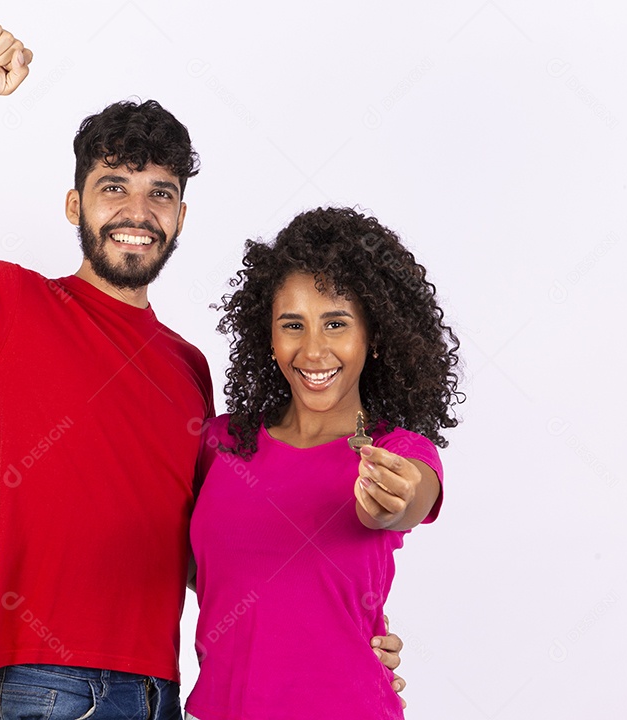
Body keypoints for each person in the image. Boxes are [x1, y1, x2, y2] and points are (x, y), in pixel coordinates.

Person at [0, 18, 403, 719]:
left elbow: (209, 553)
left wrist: (338, 637)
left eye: (160, 192)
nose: (137, 211)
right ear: (74, 205)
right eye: (114, 186)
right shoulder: (11, 306)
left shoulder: (188, 367)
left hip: (157, 694)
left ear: (180, 217)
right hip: (44, 686)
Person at [183, 207, 461, 719]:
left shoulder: (398, 451)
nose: (313, 350)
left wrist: (389, 502)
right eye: (293, 325)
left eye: (336, 323)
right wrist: (40, 568)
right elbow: (189, 562)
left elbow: (405, 501)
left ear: (373, 337)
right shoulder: (221, 442)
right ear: (268, 336)